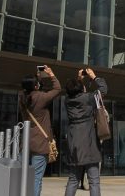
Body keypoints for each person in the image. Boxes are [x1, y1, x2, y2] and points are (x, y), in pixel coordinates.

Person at [64, 67, 107, 196]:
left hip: (74, 143)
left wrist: (79, 80)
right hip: (89, 144)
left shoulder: (68, 101)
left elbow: (74, 91)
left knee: (73, 180)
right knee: (94, 181)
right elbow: (103, 89)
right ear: (82, 89)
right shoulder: (88, 98)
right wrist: (94, 77)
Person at [20, 66, 61, 196]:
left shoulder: (22, 97)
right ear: (36, 86)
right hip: (40, 143)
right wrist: (51, 74)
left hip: (26, 143)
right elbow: (57, 89)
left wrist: (37, 79)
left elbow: (31, 90)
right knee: (36, 178)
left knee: (23, 177)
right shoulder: (41, 98)